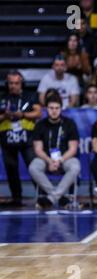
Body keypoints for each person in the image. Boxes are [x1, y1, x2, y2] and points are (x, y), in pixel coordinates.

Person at [29, 94, 81, 209]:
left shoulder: (69, 124)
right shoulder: (40, 125)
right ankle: (60, 197)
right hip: (46, 159)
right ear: (46, 109)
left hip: (64, 159)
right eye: (51, 108)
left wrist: (60, 160)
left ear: (61, 109)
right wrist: (49, 161)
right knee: (33, 167)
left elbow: (73, 149)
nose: (54, 111)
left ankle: (51, 198)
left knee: (75, 165)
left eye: (57, 108)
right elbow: (38, 149)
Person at [0, 70, 42, 207]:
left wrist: (22, 114)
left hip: (27, 139)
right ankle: (16, 198)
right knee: (11, 170)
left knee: (34, 168)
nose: (13, 86)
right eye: (11, 83)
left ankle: (42, 196)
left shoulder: (30, 96)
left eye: (16, 83)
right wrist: (4, 117)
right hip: (7, 139)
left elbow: (38, 112)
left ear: (21, 83)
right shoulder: (2, 98)